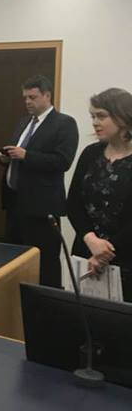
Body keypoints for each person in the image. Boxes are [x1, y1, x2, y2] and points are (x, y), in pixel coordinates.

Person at [0, 74, 78, 287]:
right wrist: (5, 158)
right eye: (25, 97)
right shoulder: (24, 122)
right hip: (15, 203)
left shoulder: (64, 124)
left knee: (45, 263)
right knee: (13, 259)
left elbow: (62, 161)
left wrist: (27, 155)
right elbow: (17, 155)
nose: (27, 102)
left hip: (42, 208)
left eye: (32, 97)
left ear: (47, 96)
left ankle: (48, 302)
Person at [67, 88, 132, 302]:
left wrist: (105, 252)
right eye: (93, 116)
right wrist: (90, 239)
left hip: (126, 257)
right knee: (82, 316)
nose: (95, 122)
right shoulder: (90, 153)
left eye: (101, 116)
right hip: (85, 251)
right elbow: (73, 203)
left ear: (123, 117)